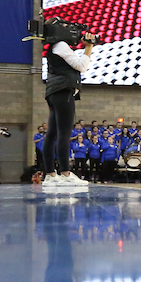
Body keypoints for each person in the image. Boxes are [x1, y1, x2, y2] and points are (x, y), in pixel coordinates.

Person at [41, 22, 94, 186]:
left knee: (52, 134)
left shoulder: (54, 47)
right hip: (63, 91)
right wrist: (89, 47)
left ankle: (50, 174)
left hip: (54, 92)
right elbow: (81, 66)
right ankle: (65, 173)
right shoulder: (61, 45)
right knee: (64, 133)